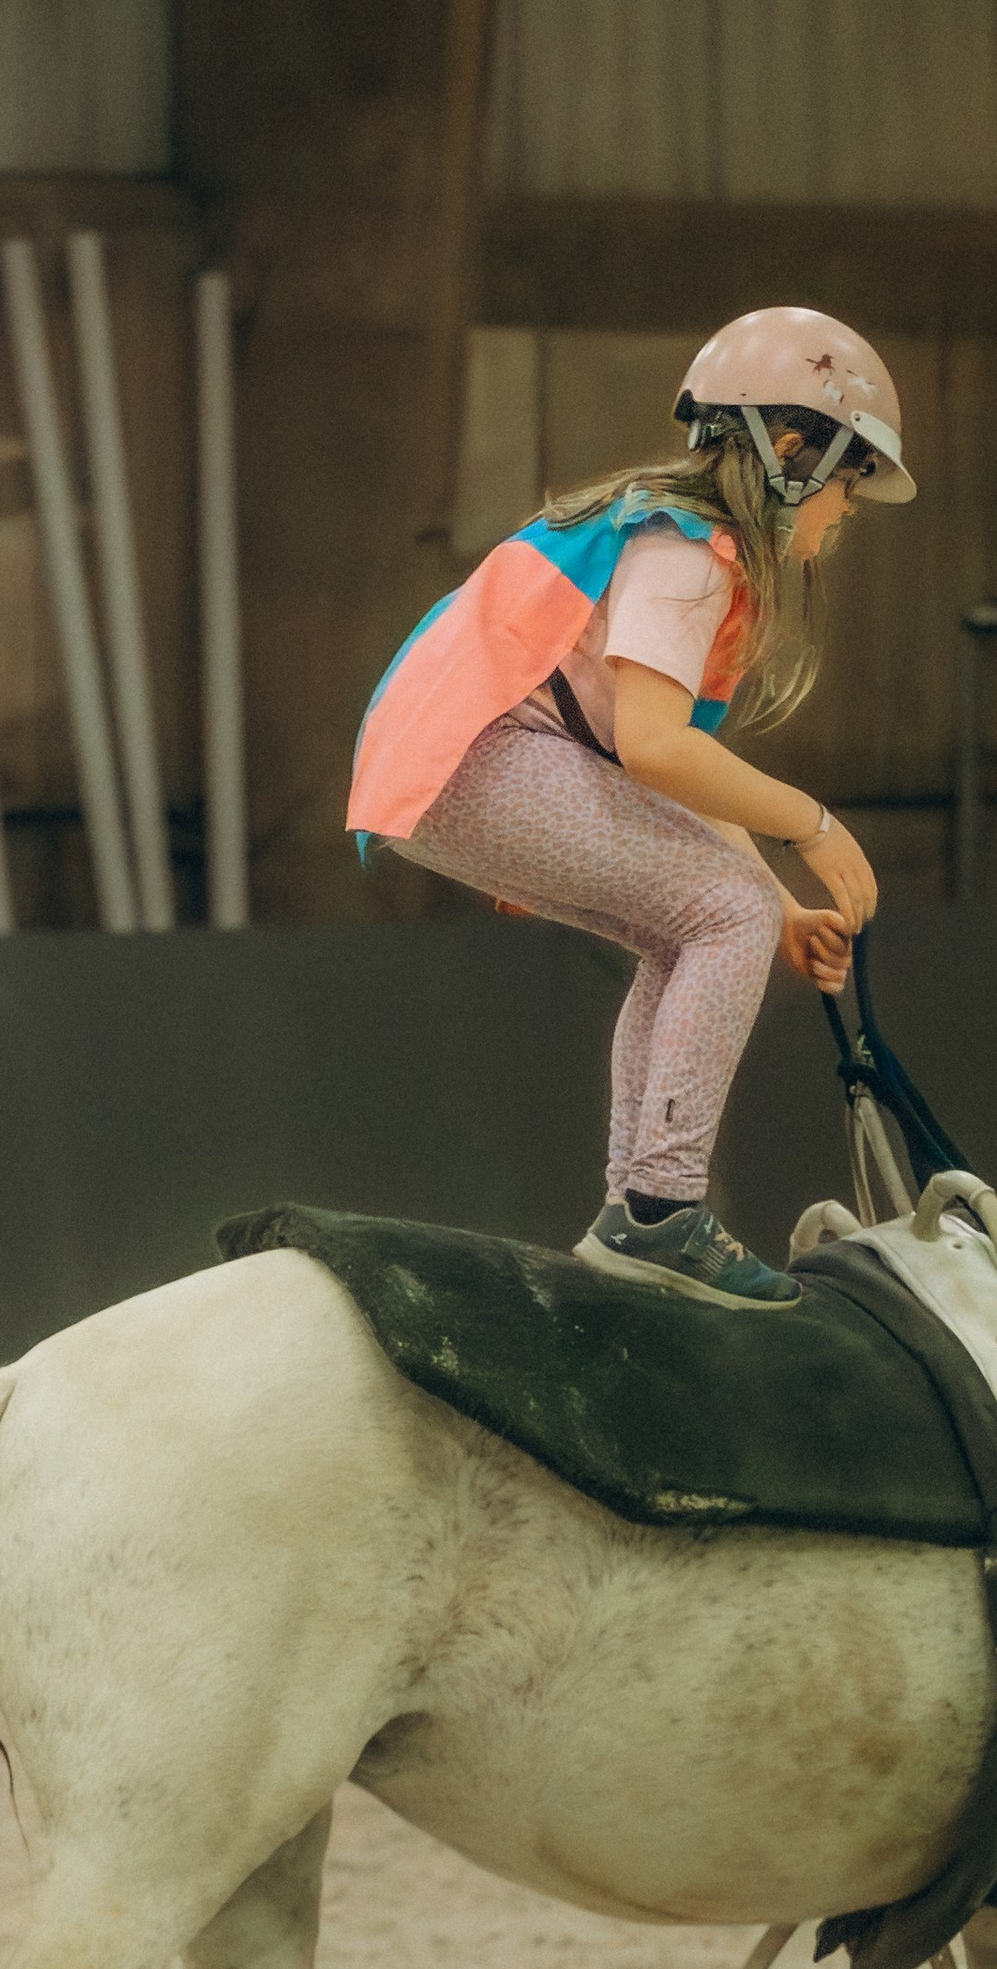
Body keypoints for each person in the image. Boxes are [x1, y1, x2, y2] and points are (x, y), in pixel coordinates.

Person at [348, 305, 914, 1308]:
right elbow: (654, 748)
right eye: (847, 485)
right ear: (791, 450)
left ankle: (639, 1210)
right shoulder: (688, 550)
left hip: (447, 762)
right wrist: (809, 828)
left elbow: (673, 765)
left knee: (698, 922)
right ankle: (657, 1211)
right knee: (718, 912)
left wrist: (777, 904)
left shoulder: (691, 551)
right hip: (481, 755)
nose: (847, 514)